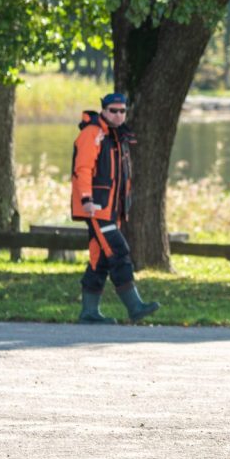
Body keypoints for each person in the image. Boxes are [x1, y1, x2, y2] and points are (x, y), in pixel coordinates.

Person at [70, 92, 160, 324]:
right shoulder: (92, 133)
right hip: (96, 208)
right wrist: (86, 199)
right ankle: (135, 306)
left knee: (99, 259)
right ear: (103, 110)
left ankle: (89, 313)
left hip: (111, 210)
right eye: (113, 111)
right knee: (118, 251)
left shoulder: (117, 136)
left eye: (122, 111)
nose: (119, 115)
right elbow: (83, 169)